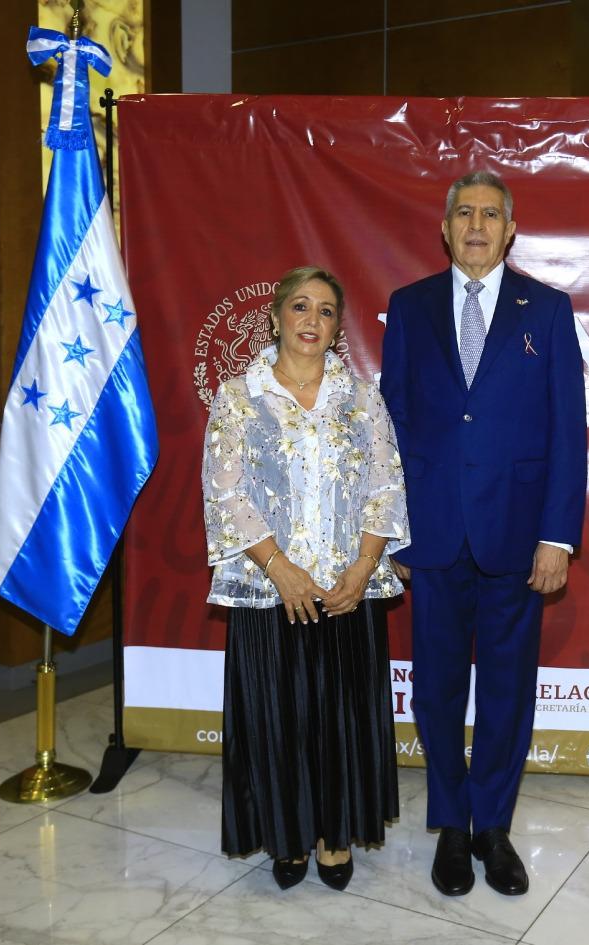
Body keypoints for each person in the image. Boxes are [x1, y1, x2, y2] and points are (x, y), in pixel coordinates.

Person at [380, 171, 587, 896]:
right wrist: (390, 533)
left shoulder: (550, 311)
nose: (476, 224)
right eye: (463, 212)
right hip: (431, 538)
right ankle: (451, 824)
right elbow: (391, 427)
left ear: (510, 229)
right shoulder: (409, 308)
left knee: (506, 689)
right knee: (435, 690)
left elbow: (567, 430)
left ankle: (493, 825)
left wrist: (558, 536)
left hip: (516, 535)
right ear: (445, 228)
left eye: (489, 214)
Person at [202, 265, 409, 892]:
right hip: (271, 591)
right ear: (275, 317)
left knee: (341, 717)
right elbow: (226, 492)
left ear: (337, 324)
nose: (311, 321)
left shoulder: (363, 397)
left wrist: (365, 565)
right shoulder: (238, 397)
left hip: (350, 589)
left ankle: (334, 834)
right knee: (278, 718)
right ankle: (285, 835)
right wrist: (280, 568)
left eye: (324, 310)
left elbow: (386, 483)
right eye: (299, 307)